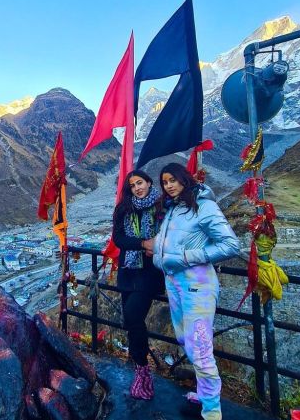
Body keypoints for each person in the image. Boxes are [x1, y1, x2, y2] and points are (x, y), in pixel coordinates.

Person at [153, 163, 240, 420]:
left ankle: (212, 411)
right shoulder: (173, 209)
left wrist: (187, 256)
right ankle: (204, 395)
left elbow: (230, 244)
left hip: (198, 285)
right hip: (176, 285)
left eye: (173, 180)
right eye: (165, 181)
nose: (169, 185)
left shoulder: (204, 206)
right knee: (187, 342)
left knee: (200, 347)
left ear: (184, 179)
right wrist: (160, 257)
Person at [112, 169, 164, 400]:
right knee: (131, 322)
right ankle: (140, 370)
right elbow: (118, 239)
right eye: (132, 185)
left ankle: (143, 370)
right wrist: (144, 243)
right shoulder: (124, 209)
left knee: (133, 316)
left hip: (150, 273)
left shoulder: (162, 207)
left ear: (149, 182)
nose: (137, 188)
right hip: (128, 272)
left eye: (140, 183)